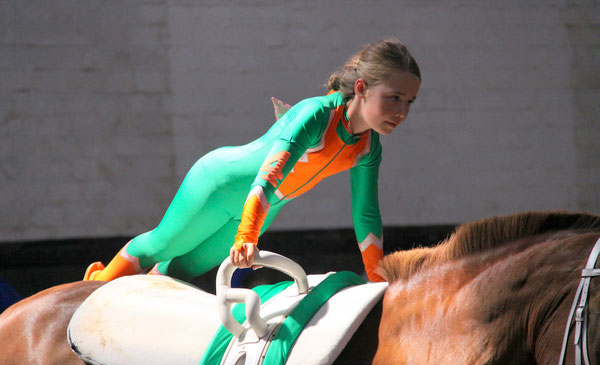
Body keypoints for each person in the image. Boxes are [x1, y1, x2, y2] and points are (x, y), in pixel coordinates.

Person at [84, 38, 421, 283]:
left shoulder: (369, 147)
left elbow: (366, 214)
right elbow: (266, 179)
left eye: (409, 101)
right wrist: (247, 235)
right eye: (394, 98)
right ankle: (90, 292)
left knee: (183, 270)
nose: (402, 112)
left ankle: (130, 310)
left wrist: (379, 281)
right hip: (221, 185)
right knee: (160, 246)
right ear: (361, 88)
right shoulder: (316, 114)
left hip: (263, 208)